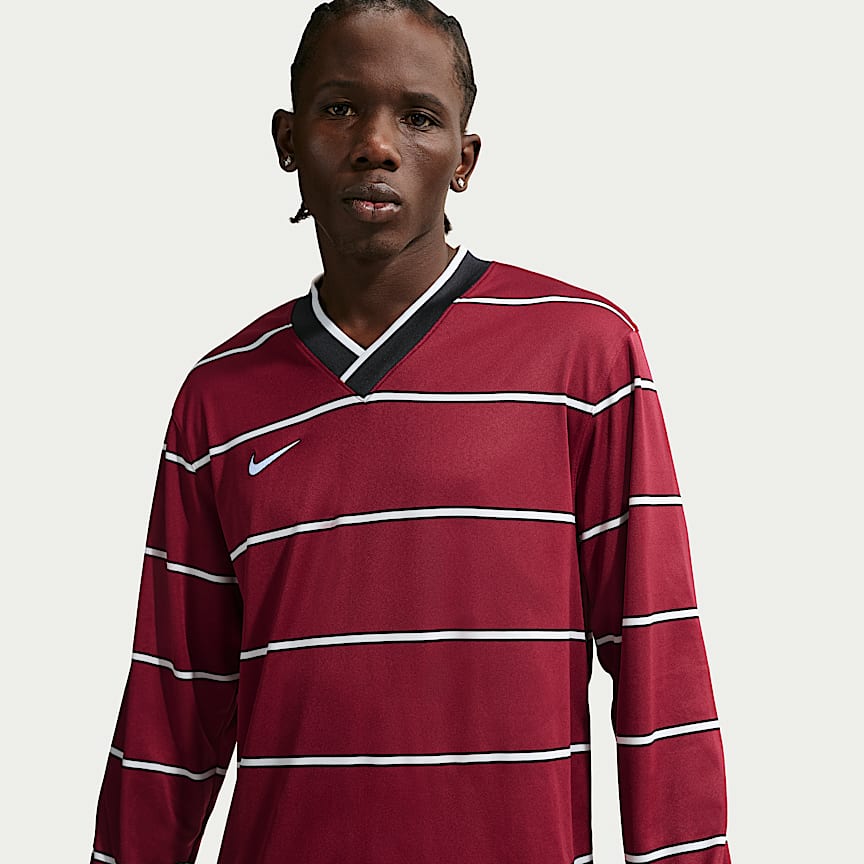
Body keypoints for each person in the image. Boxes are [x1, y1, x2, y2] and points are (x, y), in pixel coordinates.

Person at [89, 1, 733, 862]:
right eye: (340, 107)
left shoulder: (584, 354)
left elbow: (659, 656)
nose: (376, 145)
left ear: (465, 158)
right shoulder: (218, 397)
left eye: (419, 117)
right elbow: (171, 709)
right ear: (287, 140)